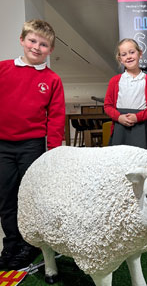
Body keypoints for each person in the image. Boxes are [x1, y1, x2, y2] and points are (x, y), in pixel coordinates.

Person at [0, 19, 65, 270]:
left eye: (44, 44)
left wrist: (55, 151)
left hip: (32, 146)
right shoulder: (3, 69)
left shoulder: (52, 80)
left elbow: (57, 117)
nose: (36, 47)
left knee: (28, 198)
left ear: (50, 50)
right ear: (22, 40)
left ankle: (30, 246)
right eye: (32, 41)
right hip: (3, 146)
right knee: (6, 198)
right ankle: (11, 246)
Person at [104, 38, 147, 155]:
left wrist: (138, 117)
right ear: (120, 59)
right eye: (124, 54)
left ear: (140, 54)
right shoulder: (115, 81)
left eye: (132, 52)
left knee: (143, 163)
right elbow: (108, 106)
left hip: (142, 128)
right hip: (120, 128)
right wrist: (119, 117)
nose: (128, 57)